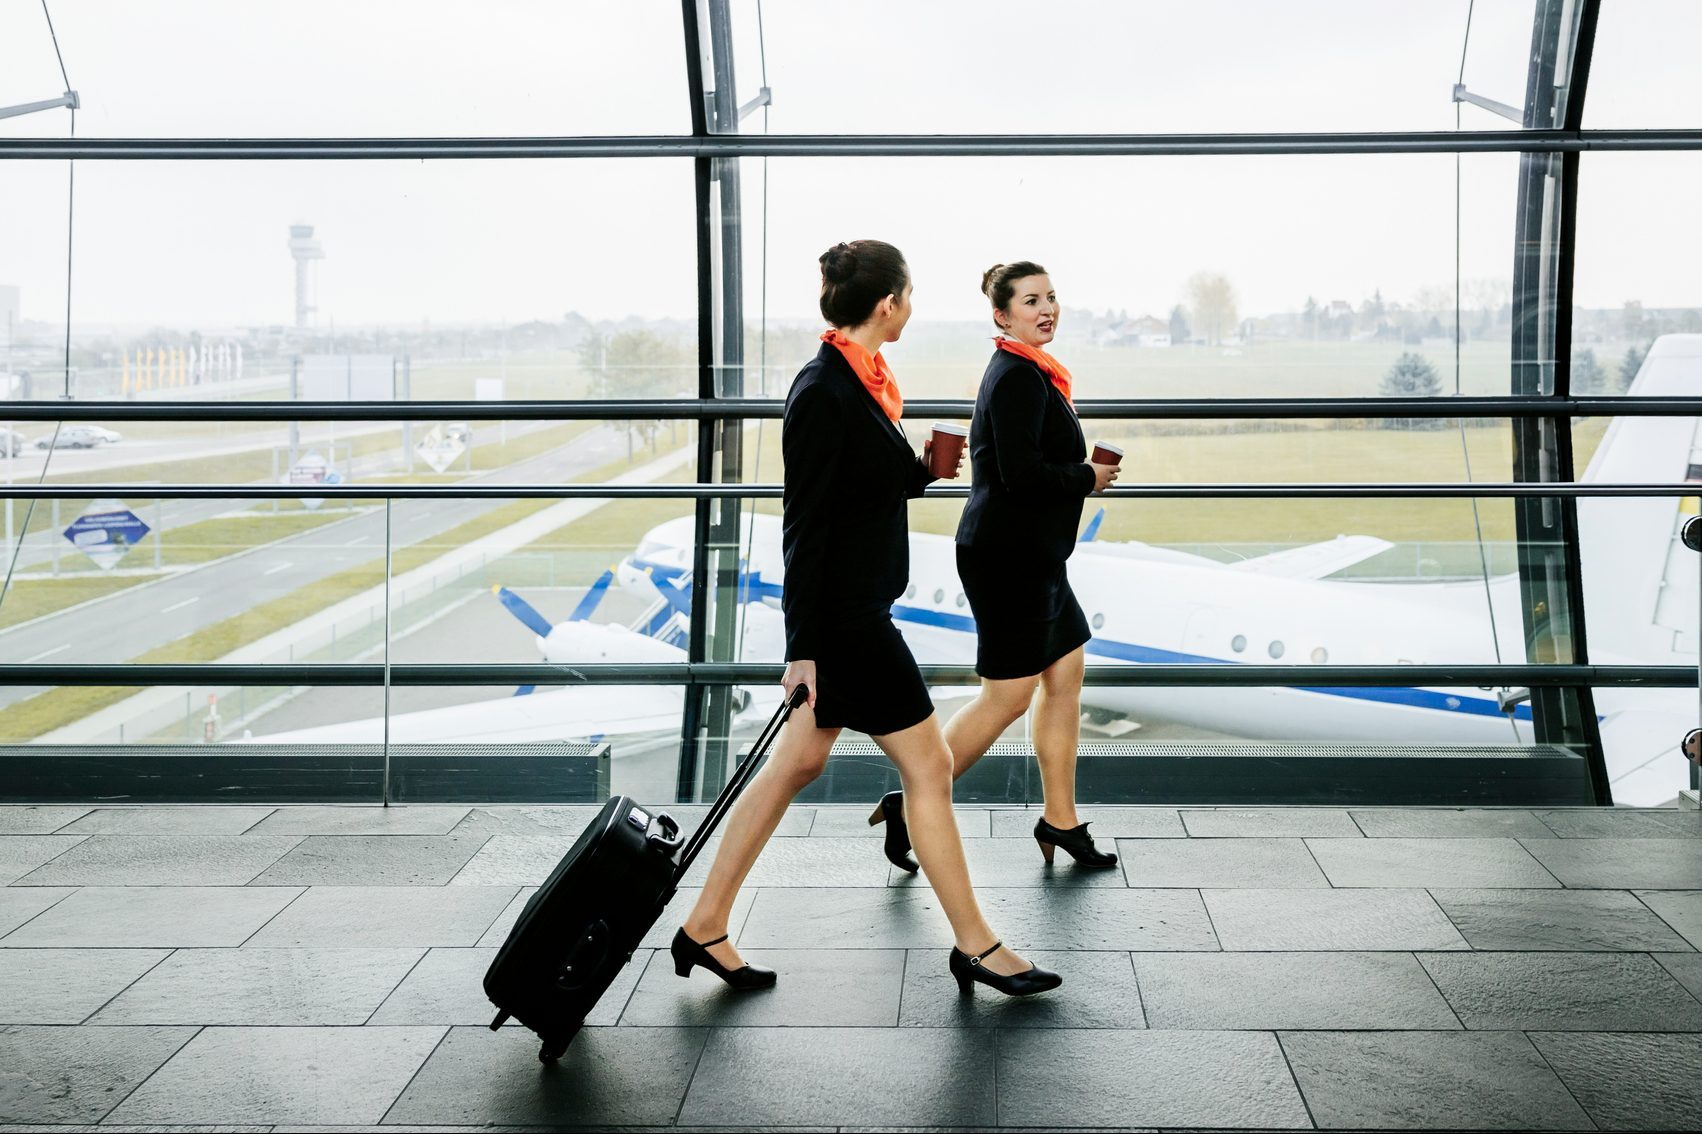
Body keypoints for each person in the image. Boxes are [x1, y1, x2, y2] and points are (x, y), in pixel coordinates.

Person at [674, 240, 1062, 999]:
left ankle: (705, 925)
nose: (912, 306)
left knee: (798, 764)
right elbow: (806, 526)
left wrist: (917, 471)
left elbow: (856, 495)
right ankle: (977, 946)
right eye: (909, 295)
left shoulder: (860, 381)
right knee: (931, 768)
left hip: (853, 612)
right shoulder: (824, 390)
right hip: (846, 626)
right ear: (888, 303)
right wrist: (803, 649)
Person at [870, 261, 1121, 872]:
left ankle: (1060, 820)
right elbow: (1019, 475)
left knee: (1065, 678)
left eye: (1052, 297)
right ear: (1002, 315)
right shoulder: (1014, 376)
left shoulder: (1035, 373)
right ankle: (910, 802)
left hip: (1035, 555)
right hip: (1008, 557)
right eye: (1031, 300)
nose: (1047, 308)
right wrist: (1088, 476)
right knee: (1007, 697)